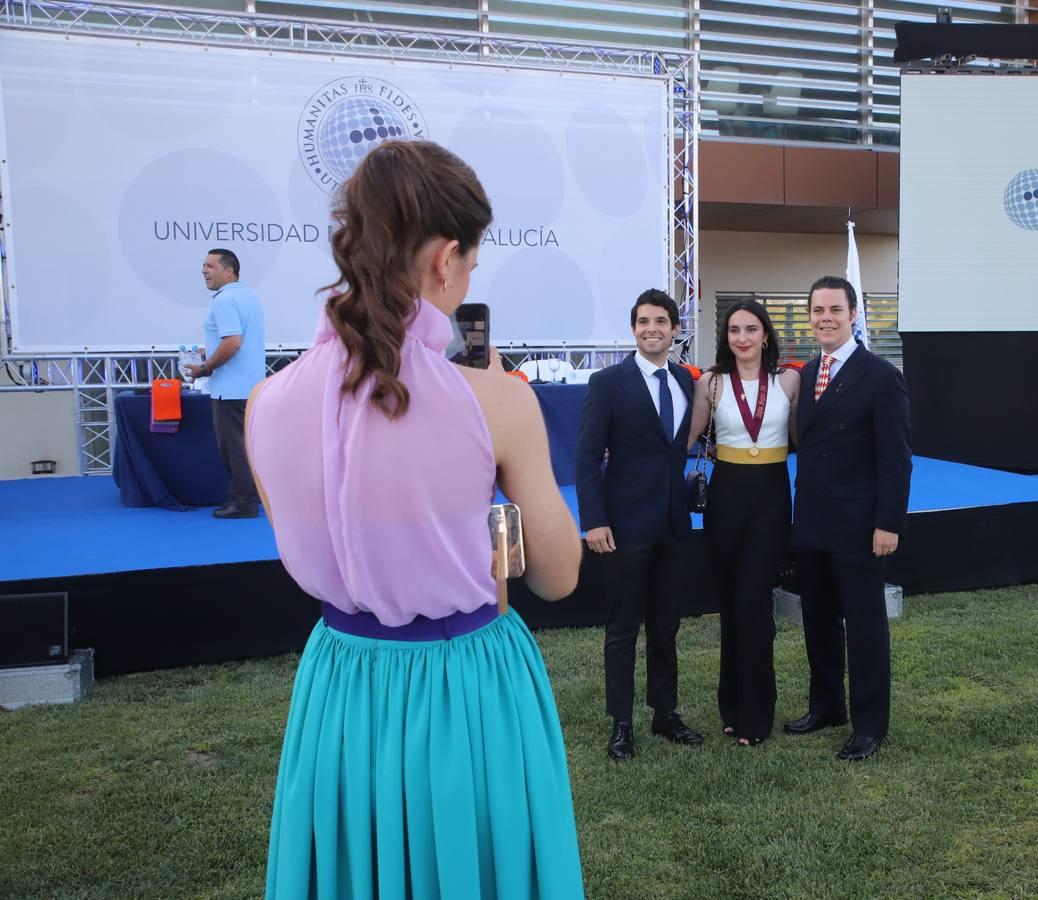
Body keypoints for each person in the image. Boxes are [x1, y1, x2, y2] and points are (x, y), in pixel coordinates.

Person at [245, 140, 585, 898]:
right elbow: (560, 577)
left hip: (338, 688)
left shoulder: (267, 405)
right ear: (444, 258)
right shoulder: (495, 400)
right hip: (465, 688)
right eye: (470, 264)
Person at [785, 275, 912, 762]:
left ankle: (870, 724)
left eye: (835, 309)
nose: (825, 318)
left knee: (863, 625)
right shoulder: (809, 370)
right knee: (818, 621)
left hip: (861, 527)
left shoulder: (881, 376)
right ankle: (827, 707)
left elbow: (896, 458)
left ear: (854, 314)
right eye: (817, 310)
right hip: (813, 523)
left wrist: (889, 523)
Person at [575, 288, 704, 761]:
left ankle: (665, 714)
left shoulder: (685, 382)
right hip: (624, 526)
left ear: (674, 329)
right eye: (644, 321)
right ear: (634, 329)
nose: (653, 328)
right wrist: (593, 520)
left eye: (662, 321)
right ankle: (622, 724)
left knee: (666, 626)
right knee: (623, 627)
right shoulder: (607, 383)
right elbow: (586, 458)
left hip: (674, 525)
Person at [687, 300, 800, 747]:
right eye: (734, 330)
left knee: (754, 604)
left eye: (751, 329)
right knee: (732, 606)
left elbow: (810, 436)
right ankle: (731, 707)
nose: (742, 338)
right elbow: (686, 438)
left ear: (766, 334)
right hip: (726, 496)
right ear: (726, 337)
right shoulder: (711, 383)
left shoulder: (789, 379)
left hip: (771, 497)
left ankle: (758, 714)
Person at [183, 248, 266, 519]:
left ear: (229, 270)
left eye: (210, 266)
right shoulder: (248, 297)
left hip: (230, 389)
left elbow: (232, 343)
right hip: (249, 386)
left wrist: (205, 368)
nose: (204, 271)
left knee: (235, 448)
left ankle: (243, 501)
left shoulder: (224, 301)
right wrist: (212, 351)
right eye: (203, 266)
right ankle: (248, 497)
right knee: (246, 446)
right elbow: (236, 342)